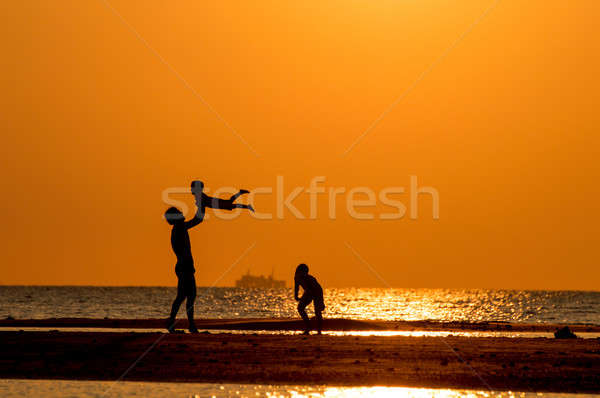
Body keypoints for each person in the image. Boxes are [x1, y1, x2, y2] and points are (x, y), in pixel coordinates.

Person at [164, 192, 205, 333]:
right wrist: (202, 205)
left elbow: (197, 220)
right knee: (187, 296)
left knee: (184, 296)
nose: (182, 215)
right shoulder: (179, 229)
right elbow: (197, 220)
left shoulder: (178, 229)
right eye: (179, 214)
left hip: (184, 266)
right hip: (184, 267)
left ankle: (180, 324)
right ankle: (188, 325)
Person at [294, 263, 325, 335]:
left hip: (317, 292)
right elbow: (297, 287)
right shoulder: (297, 277)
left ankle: (319, 330)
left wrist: (321, 302)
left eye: (304, 272)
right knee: (300, 308)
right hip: (310, 292)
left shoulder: (310, 278)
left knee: (317, 311)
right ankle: (309, 327)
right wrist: (296, 296)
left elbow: (315, 290)